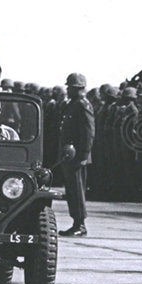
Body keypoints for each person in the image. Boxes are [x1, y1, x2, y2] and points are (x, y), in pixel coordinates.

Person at [58, 73, 95, 237]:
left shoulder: (82, 105)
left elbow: (88, 133)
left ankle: (80, 224)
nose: (67, 90)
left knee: (77, 191)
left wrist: (83, 156)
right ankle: (76, 223)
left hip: (77, 157)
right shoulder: (73, 104)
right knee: (72, 190)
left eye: (70, 87)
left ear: (77, 88)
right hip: (70, 156)